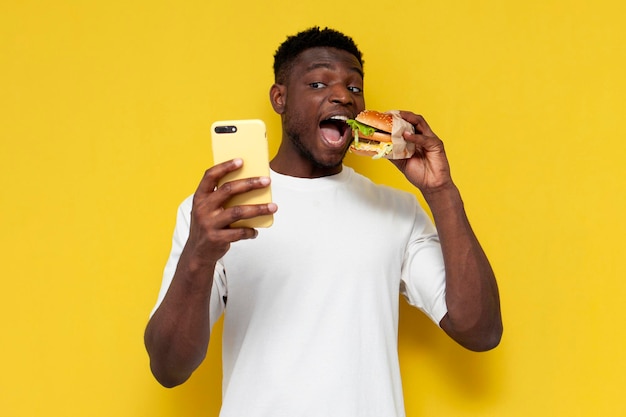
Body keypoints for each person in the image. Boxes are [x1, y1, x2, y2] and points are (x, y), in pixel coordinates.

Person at [144, 27, 503, 417]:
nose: (341, 96)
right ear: (279, 98)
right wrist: (200, 254)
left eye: (354, 88)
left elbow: (480, 331)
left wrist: (441, 192)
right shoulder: (218, 214)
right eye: (317, 82)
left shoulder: (397, 211)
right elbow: (169, 367)